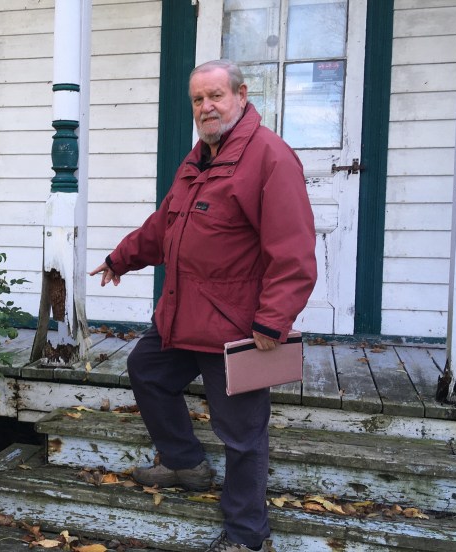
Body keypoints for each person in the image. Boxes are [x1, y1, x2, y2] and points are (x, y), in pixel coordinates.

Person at [89, 59, 317, 552]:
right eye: (198, 100)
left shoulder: (270, 158)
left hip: (237, 326)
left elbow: (293, 251)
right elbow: (165, 225)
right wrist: (120, 258)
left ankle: (246, 536)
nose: (206, 107)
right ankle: (183, 462)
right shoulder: (199, 159)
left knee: (241, 435)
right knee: (147, 370)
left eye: (215, 96)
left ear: (240, 94)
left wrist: (273, 321)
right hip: (183, 313)